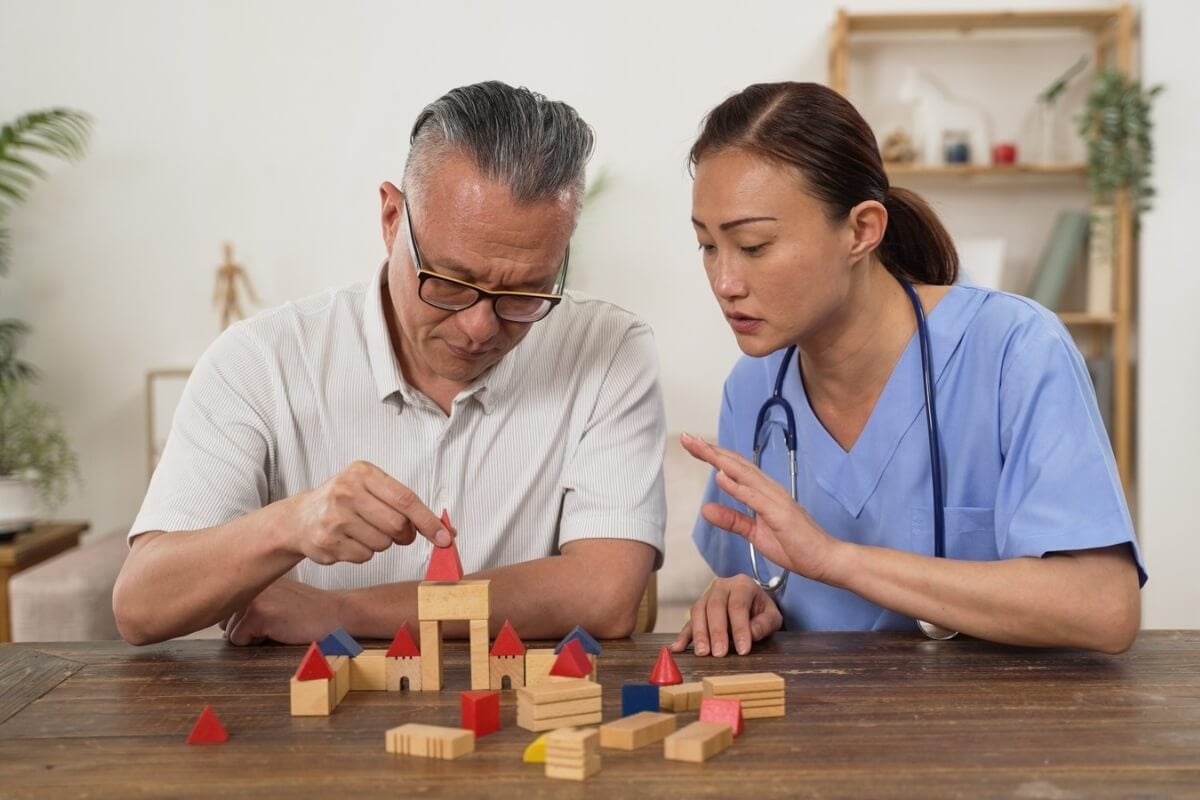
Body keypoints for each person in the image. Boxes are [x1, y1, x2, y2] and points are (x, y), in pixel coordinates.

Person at [114, 81, 665, 646]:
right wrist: (289, 525)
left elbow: (606, 595)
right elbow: (142, 606)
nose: (480, 326)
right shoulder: (261, 360)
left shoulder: (608, 349)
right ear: (391, 217)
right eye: (451, 283)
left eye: (527, 292)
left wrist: (344, 611)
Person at [670, 82, 1144, 658]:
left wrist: (838, 560)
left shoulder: (1014, 350)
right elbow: (760, 578)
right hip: (811, 728)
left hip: (996, 733)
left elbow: (1103, 607)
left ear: (862, 230)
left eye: (753, 245)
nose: (724, 283)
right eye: (707, 246)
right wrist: (744, 597)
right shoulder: (754, 390)